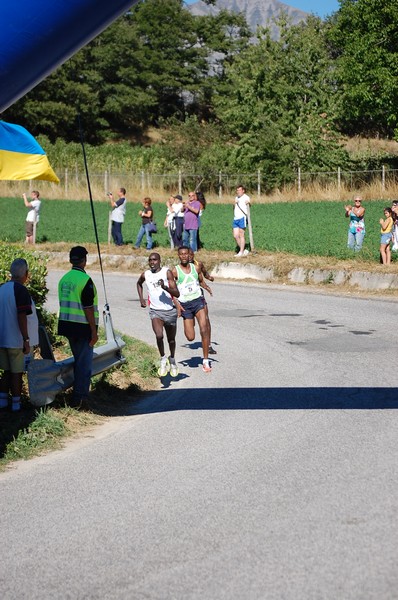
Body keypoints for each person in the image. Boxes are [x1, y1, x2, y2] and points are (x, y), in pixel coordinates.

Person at [58, 246, 98, 406]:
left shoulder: (64, 279)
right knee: (84, 365)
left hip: (67, 327)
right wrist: (94, 331)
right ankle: (80, 398)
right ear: (84, 261)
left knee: (78, 361)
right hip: (82, 328)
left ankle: (77, 394)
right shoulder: (85, 281)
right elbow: (88, 308)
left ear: (70, 260)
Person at [0, 258, 39, 411]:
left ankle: (2, 400)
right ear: (26, 274)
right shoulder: (21, 290)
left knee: (6, 371)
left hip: (2, 339)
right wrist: (26, 339)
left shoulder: (2, 288)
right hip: (16, 340)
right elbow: (21, 316)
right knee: (17, 373)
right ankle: (16, 403)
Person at [137, 252, 180, 377]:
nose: (152, 262)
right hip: (155, 311)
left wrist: (165, 288)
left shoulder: (167, 272)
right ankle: (162, 358)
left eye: (155, 260)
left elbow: (177, 293)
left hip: (170, 311)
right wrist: (141, 298)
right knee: (159, 335)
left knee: (171, 340)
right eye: (150, 260)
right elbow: (139, 283)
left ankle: (172, 359)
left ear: (160, 261)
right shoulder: (146, 274)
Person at [172, 246, 213, 373]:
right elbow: (171, 290)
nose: (184, 256)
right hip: (185, 305)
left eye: (186, 254)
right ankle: (191, 324)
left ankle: (206, 361)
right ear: (178, 256)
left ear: (189, 255)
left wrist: (206, 287)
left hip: (198, 301)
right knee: (190, 337)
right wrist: (177, 304)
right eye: (181, 254)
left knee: (204, 328)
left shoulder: (196, 267)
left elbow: (200, 280)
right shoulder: (174, 271)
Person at [188, 249, 217, 355]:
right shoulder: (180, 269)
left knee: (205, 319)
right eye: (187, 255)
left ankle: (208, 345)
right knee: (191, 326)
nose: (189, 257)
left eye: (191, 254)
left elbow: (203, 275)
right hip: (186, 298)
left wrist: (209, 279)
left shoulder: (198, 264)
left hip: (198, 296)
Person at [233, 185, 251, 257]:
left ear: (243, 190)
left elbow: (249, 205)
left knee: (241, 234)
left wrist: (248, 203)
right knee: (235, 236)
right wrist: (234, 203)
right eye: (237, 190)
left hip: (242, 218)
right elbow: (233, 208)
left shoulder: (246, 197)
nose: (238, 192)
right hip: (235, 218)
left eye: (239, 190)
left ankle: (241, 252)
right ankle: (243, 250)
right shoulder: (236, 198)